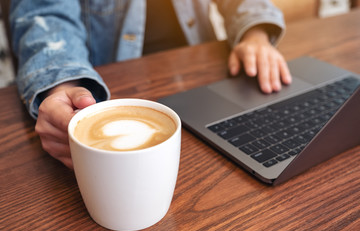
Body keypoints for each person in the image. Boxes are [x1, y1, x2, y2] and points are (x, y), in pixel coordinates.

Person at [10, 0, 292, 169]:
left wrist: (254, 34)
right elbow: (45, 13)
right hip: (106, 90)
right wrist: (63, 85)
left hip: (205, 77)